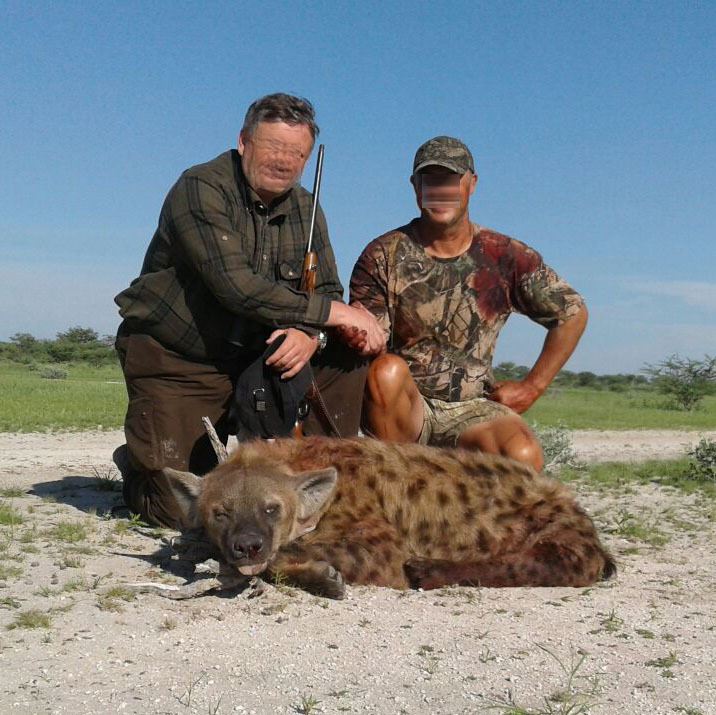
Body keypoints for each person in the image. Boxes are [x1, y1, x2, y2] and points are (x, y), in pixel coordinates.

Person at [113, 93, 383, 529]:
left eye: (297, 153)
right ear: (243, 142)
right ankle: (137, 467)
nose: (284, 161)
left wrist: (310, 335)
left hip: (257, 358)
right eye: (274, 147)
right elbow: (236, 288)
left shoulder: (307, 207)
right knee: (182, 511)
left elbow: (327, 289)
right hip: (184, 359)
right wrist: (333, 314)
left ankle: (324, 473)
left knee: (347, 350)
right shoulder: (200, 187)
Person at [349, 136, 588, 471]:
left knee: (521, 455)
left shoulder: (505, 255)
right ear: (415, 186)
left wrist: (533, 386)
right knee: (385, 372)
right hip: (409, 409)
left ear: (471, 184)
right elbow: (370, 342)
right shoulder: (382, 255)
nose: (440, 191)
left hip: (474, 406)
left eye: (450, 180)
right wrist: (353, 331)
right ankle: (398, 481)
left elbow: (572, 314)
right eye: (430, 181)